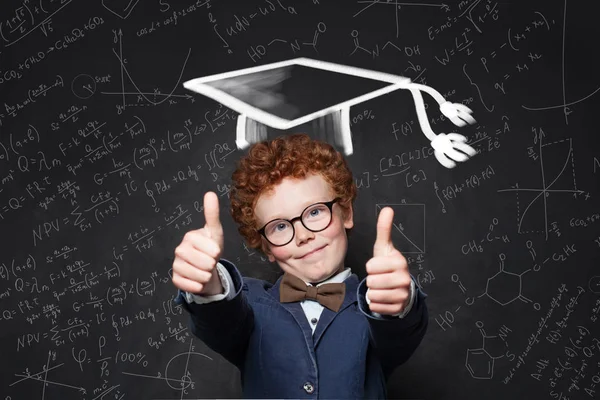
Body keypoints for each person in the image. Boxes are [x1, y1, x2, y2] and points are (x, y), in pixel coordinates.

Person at [172, 133, 428, 399]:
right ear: (267, 247)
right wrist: (210, 286)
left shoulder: (374, 307)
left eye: (315, 212)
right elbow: (221, 320)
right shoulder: (251, 307)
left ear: (346, 213)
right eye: (280, 226)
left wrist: (401, 300)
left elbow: (401, 333)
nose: (304, 235)